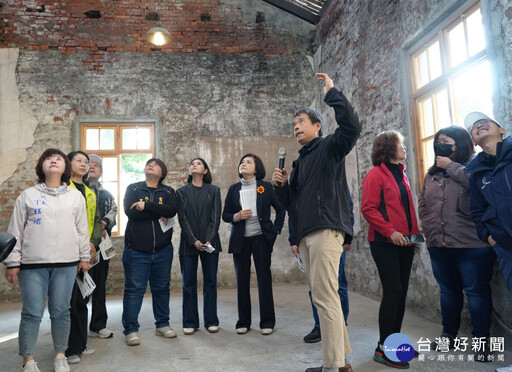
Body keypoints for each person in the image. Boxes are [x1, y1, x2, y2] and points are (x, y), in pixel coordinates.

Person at [272, 73, 360, 372]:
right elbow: (290, 205)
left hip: (326, 230)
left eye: (302, 122)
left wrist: (333, 93)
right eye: (294, 124)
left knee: (325, 298)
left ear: (317, 126)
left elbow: (352, 127)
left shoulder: (330, 148)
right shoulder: (299, 163)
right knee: (325, 297)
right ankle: (343, 363)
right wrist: (281, 187)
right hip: (308, 233)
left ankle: (331, 366)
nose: (296, 127)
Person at [3, 148, 90, 372]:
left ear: (65, 168)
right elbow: (16, 232)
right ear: (41, 166)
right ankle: (28, 360)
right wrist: (13, 262)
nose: (53, 161)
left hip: (67, 264)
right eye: (48, 159)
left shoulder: (75, 196)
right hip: (32, 265)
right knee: (32, 312)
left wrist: (84, 258)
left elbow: (82, 230)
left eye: (59, 158)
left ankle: (60, 354)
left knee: (61, 310)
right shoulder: (28, 195)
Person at [418, 125, 495, 360]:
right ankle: (448, 336)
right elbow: (423, 203)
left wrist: (450, 167)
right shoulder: (431, 174)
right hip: (439, 244)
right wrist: (429, 226)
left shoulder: (476, 165)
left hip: (472, 244)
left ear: (460, 144)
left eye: (446, 141)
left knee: (477, 292)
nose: (441, 144)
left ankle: (482, 344)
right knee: (449, 292)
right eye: (438, 141)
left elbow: (482, 189)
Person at [361, 130, 421, 369]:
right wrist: (390, 231)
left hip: (406, 242)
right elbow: (369, 209)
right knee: (393, 292)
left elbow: (405, 209)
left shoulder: (402, 174)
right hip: (384, 242)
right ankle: (383, 349)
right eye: (400, 144)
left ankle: (395, 343)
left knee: (401, 293)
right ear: (388, 148)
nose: (404, 148)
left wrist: (413, 233)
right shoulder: (375, 175)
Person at [222, 153, 285, 336]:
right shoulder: (234, 189)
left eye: (248, 162)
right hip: (240, 240)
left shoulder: (264, 187)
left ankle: (267, 321)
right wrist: (236, 216)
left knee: (264, 279)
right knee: (242, 281)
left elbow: (280, 209)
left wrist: (276, 230)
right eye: (242, 162)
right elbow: (225, 215)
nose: (243, 164)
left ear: (256, 168)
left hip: (261, 238)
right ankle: (243, 322)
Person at [122, 158, 179, 346]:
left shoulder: (169, 191)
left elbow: (171, 211)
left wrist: (145, 205)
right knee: (134, 290)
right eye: (148, 163)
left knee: (162, 288)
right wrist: (158, 211)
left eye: (155, 164)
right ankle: (131, 329)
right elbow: (131, 213)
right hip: (136, 250)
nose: (150, 165)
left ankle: (162, 324)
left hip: (163, 250)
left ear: (162, 172)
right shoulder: (134, 189)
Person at [288, 193, 354, 344]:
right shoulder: (302, 180)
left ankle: (340, 325)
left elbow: (347, 206)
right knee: (315, 286)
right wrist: (293, 239)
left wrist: (347, 236)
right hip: (307, 238)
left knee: (338, 284)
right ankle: (320, 326)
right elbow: (293, 210)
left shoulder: (333, 176)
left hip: (333, 236)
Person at [464, 112, 512, 293]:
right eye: (474, 127)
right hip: (506, 246)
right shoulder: (476, 173)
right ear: (474, 141)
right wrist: (492, 240)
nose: (479, 125)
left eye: (484, 121)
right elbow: (477, 211)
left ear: (501, 130)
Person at [177, 158, 222, 335]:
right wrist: (193, 240)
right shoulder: (181, 192)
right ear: (189, 170)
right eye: (192, 164)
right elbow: (182, 219)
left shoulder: (214, 190)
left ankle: (211, 320)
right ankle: (190, 322)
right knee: (188, 282)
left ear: (205, 171)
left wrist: (208, 239)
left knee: (210, 282)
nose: (194, 165)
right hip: (188, 244)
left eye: (198, 163)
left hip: (211, 243)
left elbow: (216, 217)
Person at [65, 151, 103, 365]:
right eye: (78, 160)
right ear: (68, 163)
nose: (83, 164)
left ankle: (80, 343)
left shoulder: (89, 192)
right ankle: (70, 347)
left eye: (86, 162)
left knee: (82, 299)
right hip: (67, 253)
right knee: (68, 302)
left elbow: (96, 221)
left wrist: (93, 243)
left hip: (86, 253)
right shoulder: (63, 189)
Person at [86, 154, 118, 339]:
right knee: (81, 285)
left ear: (102, 172)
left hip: (103, 244)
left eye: (97, 165)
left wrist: (104, 223)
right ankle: (76, 326)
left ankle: (98, 324)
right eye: (89, 164)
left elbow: (113, 211)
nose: (92, 167)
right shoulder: (78, 191)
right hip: (82, 245)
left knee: (99, 285)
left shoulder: (107, 195)